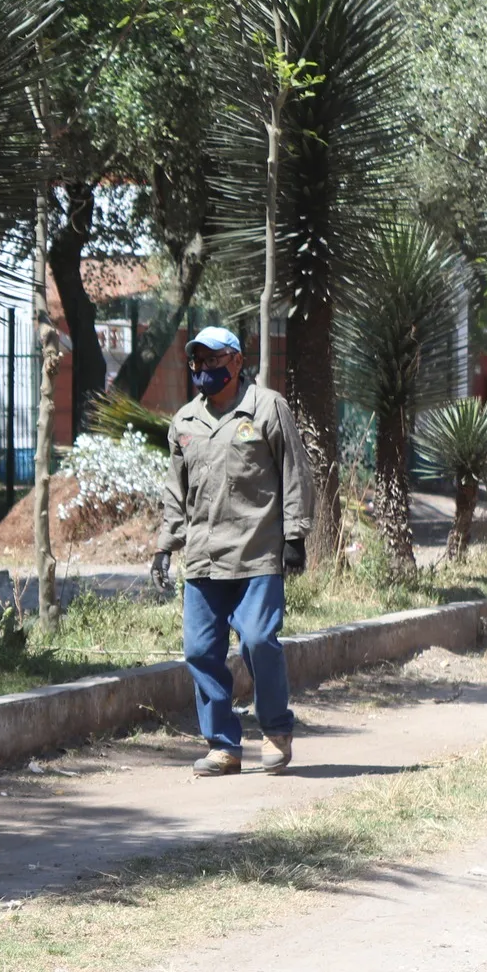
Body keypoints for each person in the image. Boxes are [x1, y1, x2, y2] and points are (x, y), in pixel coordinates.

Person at [153, 326, 315, 777]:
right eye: (197, 362)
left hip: (258, 554)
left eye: (213, 360)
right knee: (200, 650)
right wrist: (165, 546)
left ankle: (276, 729)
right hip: (203, 557)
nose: (204, 370)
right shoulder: (185, 421)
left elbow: (295, 472)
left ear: (237, 361)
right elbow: (174, 491)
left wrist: (295, 538)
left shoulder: (267, 408)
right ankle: (223, 746)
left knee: (259, 641)